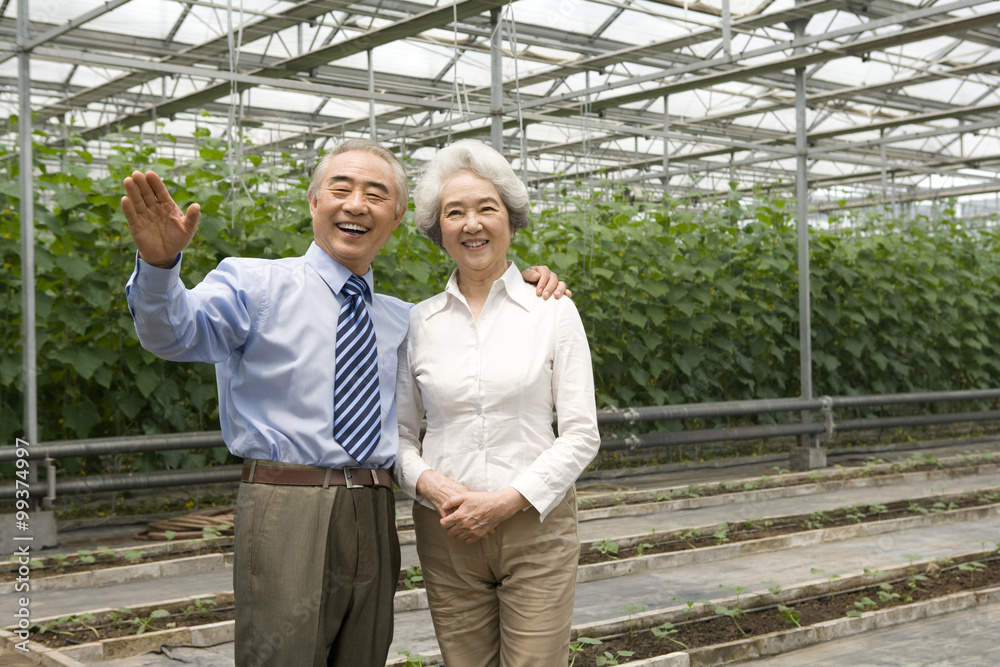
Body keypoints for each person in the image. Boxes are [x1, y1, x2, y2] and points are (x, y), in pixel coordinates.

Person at [121, 138, 568, 667]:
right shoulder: (255, 285)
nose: (356, 204)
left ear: (397, 217)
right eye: (342, 188)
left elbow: (472, 338)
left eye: (376, 194)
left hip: (374, 507)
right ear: (314, 202)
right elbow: (174, 334)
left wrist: (527, 282)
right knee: (283, 657)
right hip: (288, 502)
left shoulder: (405, 318)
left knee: (363, 654)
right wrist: (159, 265)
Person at [393, 139, 601, 667]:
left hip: (536, 525)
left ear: (511, 219)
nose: (472, 224)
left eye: (487, 208)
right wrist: (434, 487)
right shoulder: (418, 323)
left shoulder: (552, 310)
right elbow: (397, 436)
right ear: (436, 229)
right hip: (448, 530)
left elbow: (581, 433)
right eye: (454, 212)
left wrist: (508, 500)